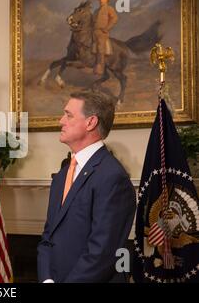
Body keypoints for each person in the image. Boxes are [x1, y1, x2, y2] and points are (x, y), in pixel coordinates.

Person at [37, 91, 136, 283]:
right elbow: (48, 237)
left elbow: (102, 252)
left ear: (91, 122)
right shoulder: (62, 176)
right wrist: (47, 280)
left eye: (69, 115)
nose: (60, 121)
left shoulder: (113, 177)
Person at [93, 0, 118, 75]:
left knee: (100, 48)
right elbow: (92, 21)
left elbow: (114, 19)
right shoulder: (96, 11)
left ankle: (100, 67)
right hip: (94, 32)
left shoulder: (109, 9)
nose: (101, 0)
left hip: (102, 33)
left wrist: (107, 28)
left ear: (107, 0)